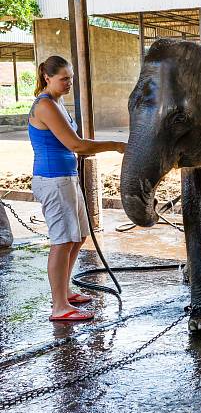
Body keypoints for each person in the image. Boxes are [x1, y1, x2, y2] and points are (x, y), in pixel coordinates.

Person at [28, 55, 126, 323]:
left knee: (79, 235)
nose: (69, 83)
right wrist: (116, 145)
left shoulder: (58, 103)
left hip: (66, 178)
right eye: (64, 79)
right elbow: (77, 145)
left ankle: (65, 291)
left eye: (71, 78)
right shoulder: (45, 105)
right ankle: (59, 306)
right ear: (47, 78)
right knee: (62, 241)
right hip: (53, 179)